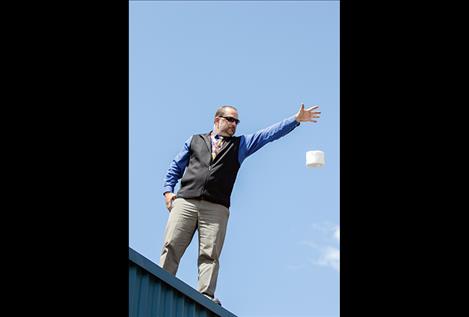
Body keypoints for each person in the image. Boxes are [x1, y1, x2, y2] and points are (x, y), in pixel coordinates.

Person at [159, 103, 321, 305]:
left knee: (210, 254)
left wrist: (295, 119)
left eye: (237, 121)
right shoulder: (194, 140)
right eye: (230, 119)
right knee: (172, 245)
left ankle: (205, 296)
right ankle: (161, 282)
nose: (234, 124)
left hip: (216, 208)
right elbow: (175, 167)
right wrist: (168, 192)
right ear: (217, 120)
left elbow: (268, 134)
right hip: (186, 201)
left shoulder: (241, 145)